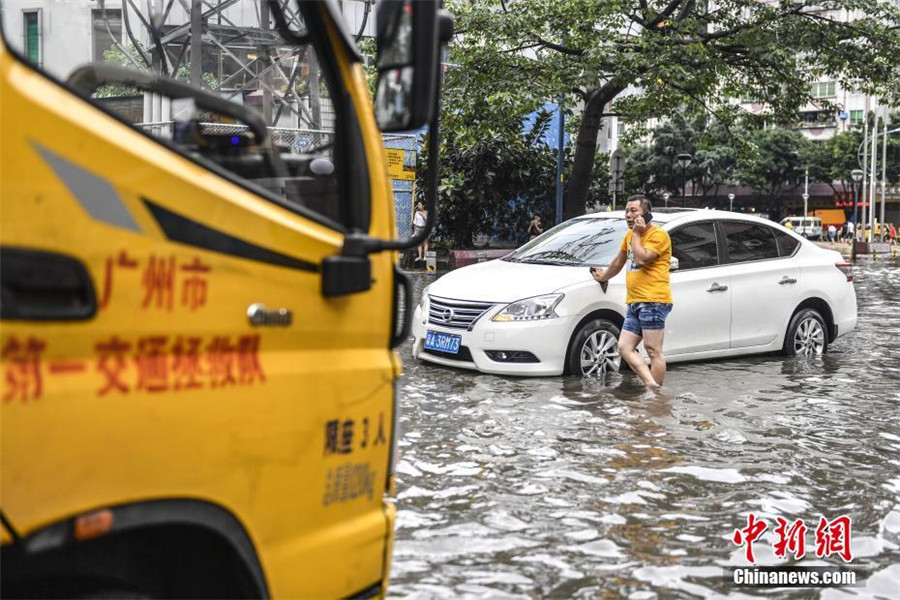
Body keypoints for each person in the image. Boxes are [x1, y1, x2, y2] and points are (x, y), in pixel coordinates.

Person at [591, 195, 673, 388]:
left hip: (654, 300)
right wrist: (604, 277)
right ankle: (652, 386)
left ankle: (654, 393)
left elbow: (642, 259)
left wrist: (636, 233)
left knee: (653, 350)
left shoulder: (658, 235)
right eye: (626, 211)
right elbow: (619, 261)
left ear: (646, 214)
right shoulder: (629, 236)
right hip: (634, 301)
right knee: (624, 347)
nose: (628, 215)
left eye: (633, 211)